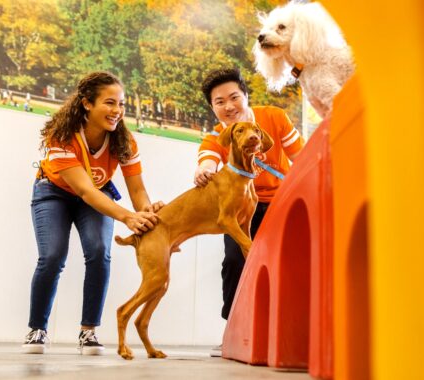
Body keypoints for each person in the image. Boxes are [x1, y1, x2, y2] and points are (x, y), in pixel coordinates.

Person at [23, 71, 164, 356]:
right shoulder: (61, 136)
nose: (117, 111)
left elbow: (138, 191)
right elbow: (85, 191)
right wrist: (127, 217)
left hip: (97, 196)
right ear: (87, 103)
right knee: (52, 256)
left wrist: (147, 212)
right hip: (54, 192)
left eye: (121, 104)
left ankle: (89, 332)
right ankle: (37, 329)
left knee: (100, 251)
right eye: (109, 103)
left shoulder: (125, 141)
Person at [194, 68, 304, 356]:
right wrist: (204, 170)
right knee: (233, 260)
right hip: (243, 209)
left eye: (234, 97)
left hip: (281, 203)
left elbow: (301, 158)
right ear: (213, 108)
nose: (229, 106)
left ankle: (289, 332)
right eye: (220, 102)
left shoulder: (275, 118)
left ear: (246, 96)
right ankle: (233, 329)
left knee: (286, 265)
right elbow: (207, 158)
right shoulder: (218, 135)